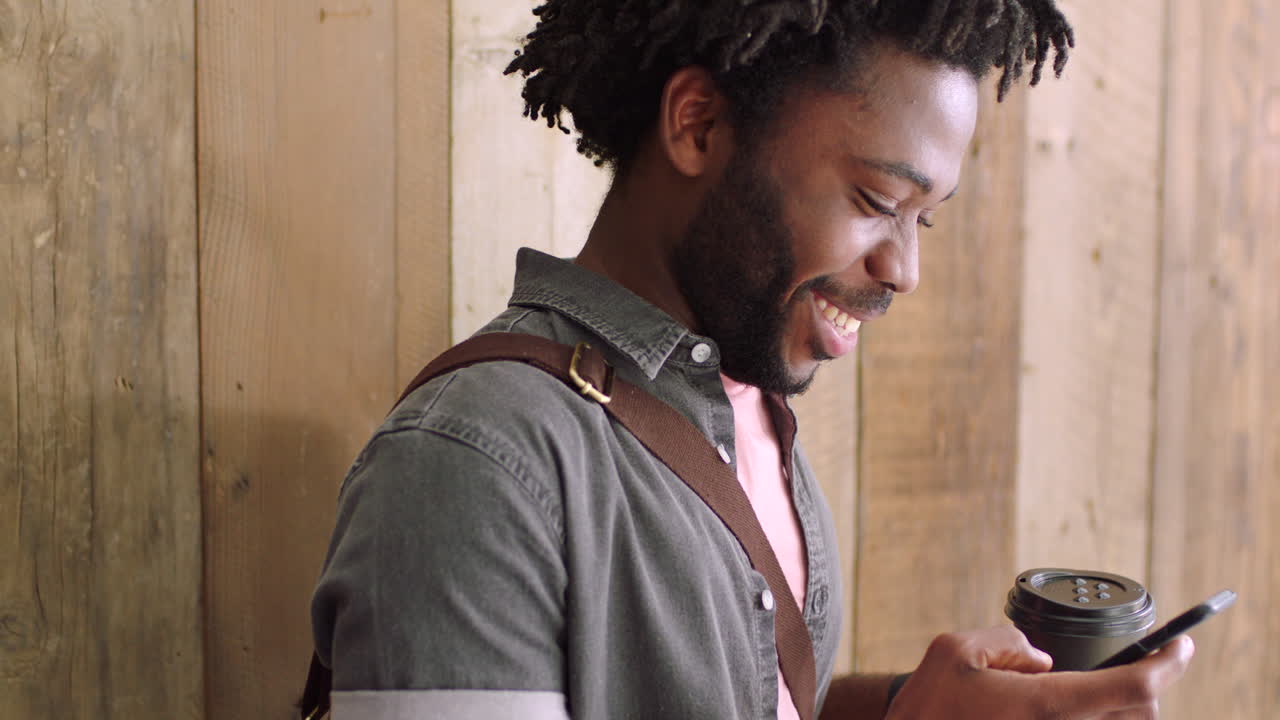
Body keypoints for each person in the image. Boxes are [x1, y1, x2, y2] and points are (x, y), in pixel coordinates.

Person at [310, 2, 1194, 718]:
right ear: (698, 126)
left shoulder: (749, 412)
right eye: (877, 199)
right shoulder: (473, 466)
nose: (905, 268)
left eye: (925, 217)